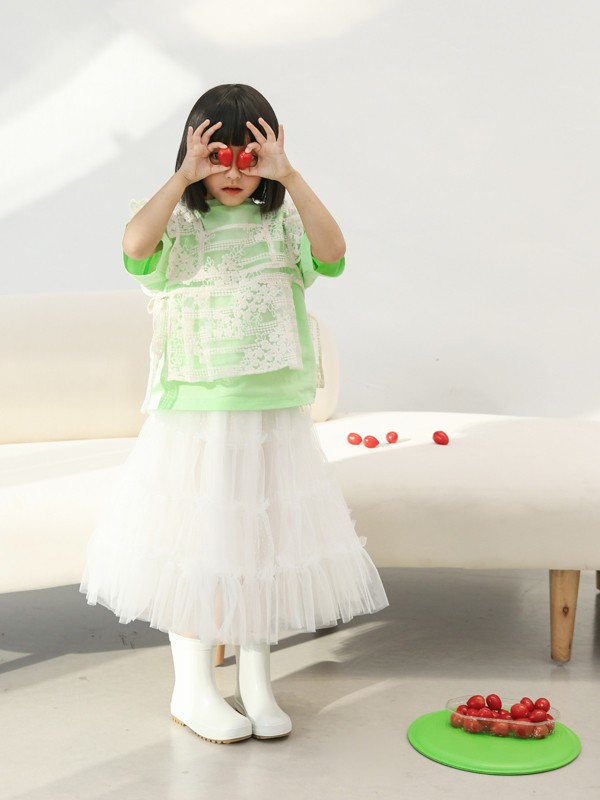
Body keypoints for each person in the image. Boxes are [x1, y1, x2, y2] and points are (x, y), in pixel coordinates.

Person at [80, 83, 388, 744]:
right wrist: (181, 179)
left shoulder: (283, 222)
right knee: (200, 543)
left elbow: (333, 254)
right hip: (198, 414)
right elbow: (135, 249)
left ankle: (256, 680)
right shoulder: (179, 222)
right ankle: (192, 686)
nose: (232, 173)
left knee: (260, 542)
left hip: (271, 413)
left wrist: (291, 176)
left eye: (247, 159)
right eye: (218, 157)